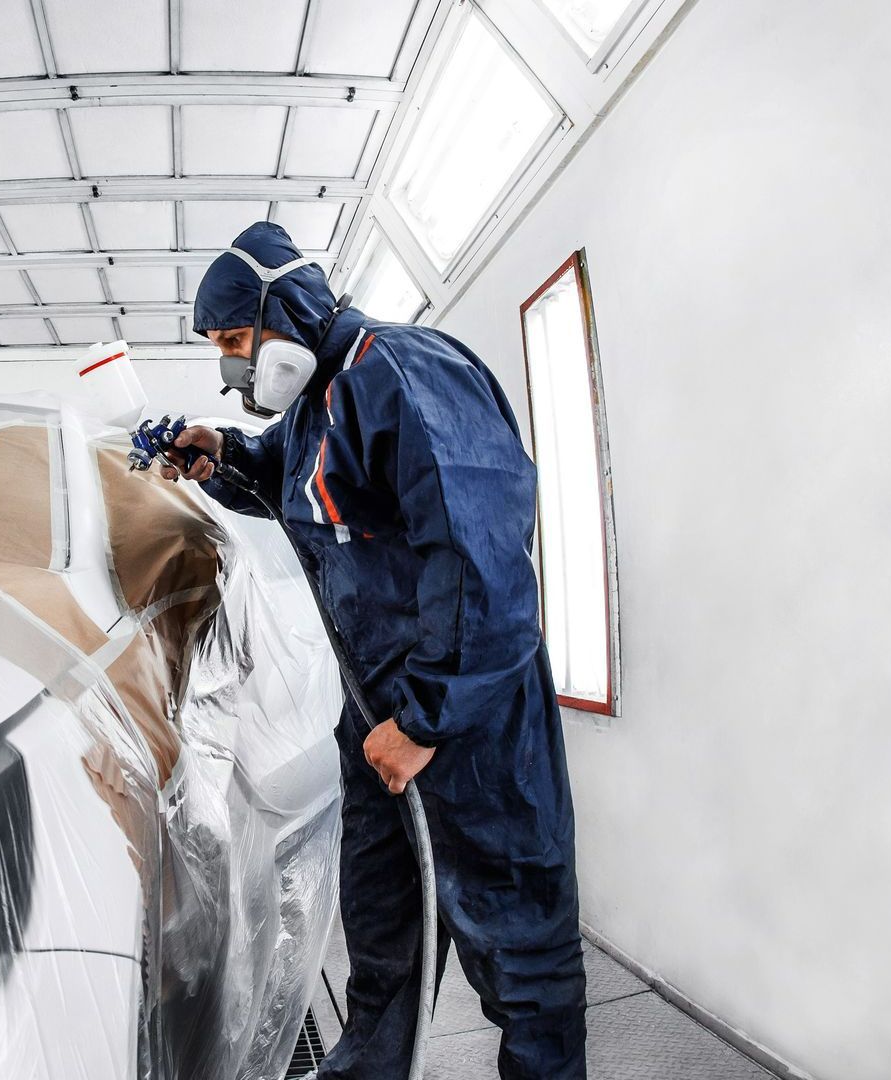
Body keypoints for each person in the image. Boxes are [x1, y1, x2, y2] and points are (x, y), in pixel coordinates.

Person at [158, 222, 587, 1079]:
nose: (232, 368)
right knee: (386, 937)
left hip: (470, 724)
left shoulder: (405, 373)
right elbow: (284, 481)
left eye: (236, 341)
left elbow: (480, 560)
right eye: (220, 350)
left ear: (288, 311)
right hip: (379, 716)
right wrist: (221, 455)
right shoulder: (316, 409)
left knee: (519, 953)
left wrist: (426, 722)